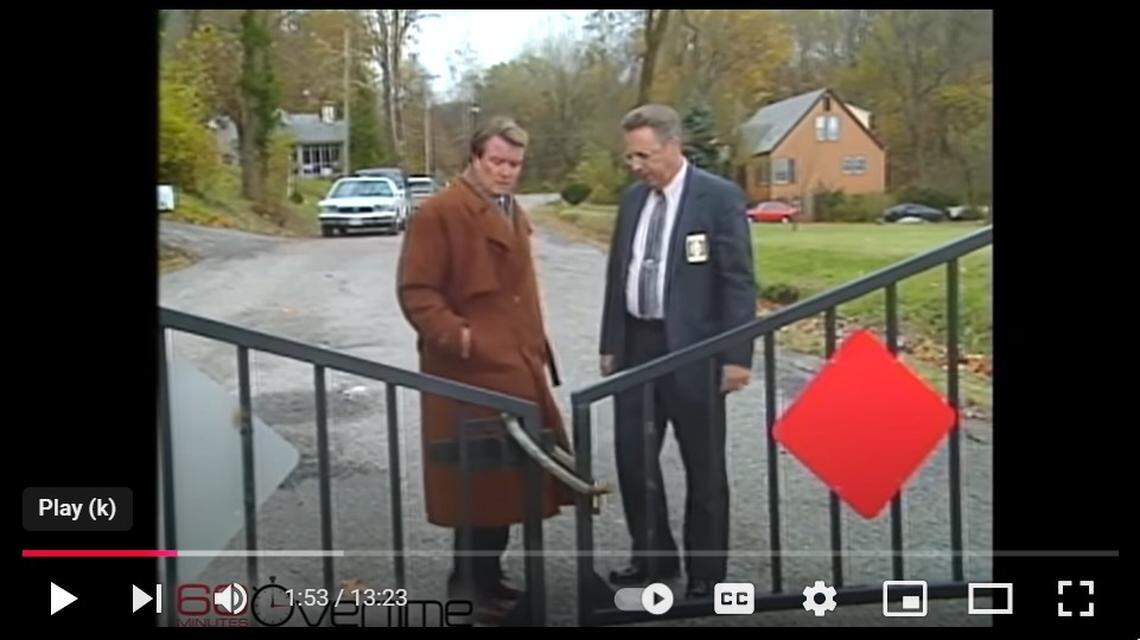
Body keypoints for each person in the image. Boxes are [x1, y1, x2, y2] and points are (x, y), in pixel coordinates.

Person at [396, 116, 572, 623]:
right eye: (496, 161)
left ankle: (488, 578)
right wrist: (461, 337)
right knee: (477, 485)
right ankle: (467, 587)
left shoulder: (509, 208)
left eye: (514, 164)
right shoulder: (442, 211)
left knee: (507, 482)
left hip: (515, 364)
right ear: (475, 158)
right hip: (469, 372)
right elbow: (416, 291)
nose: (505, 171)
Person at [598, 104, 758, 598]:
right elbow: (617, 274)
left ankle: (707, 576)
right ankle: (652, 560)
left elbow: (736, 280)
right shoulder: (632, 201)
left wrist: (736, 356)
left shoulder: (718, 197)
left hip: (697, 351)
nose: (636, 166)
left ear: (672, 146)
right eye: (630, 157)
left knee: (703, 465)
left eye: (643, 155)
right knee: (633, 458)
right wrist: (611, 342)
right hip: (638, 349)